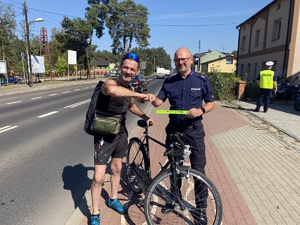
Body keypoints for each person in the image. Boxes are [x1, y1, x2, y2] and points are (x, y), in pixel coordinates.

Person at [147, 47, 215, 225]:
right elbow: (158, 103)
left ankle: (200, 210)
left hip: (194, 132)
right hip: (175, 132)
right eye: (177, 60)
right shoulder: (169, 82)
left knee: (199, 171)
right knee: (174, 169)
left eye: (183, 59)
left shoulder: (201, 80)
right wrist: (151, 98)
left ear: (191, 59)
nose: (180, 63)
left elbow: (211, 103)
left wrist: (201, 110)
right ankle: (174, 199)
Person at [90, 52, 154, 225]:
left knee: (117, 168)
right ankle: (95, 213)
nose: (128, 71)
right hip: (104, 135)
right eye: (125, 67)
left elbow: (131, 106)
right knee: (98, 177)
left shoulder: (130, 89)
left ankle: (112, 198)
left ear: (137, 71)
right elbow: (111, 91)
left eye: (132, 69)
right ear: (120, 67)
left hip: (121, 133)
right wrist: (140, 95)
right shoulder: (110, 83)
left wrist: (145, 116)